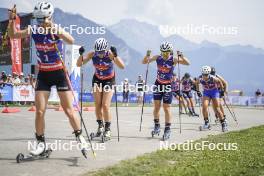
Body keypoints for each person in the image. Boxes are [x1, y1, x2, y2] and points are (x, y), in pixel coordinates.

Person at [8, 2, 89, 156]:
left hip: (59, 73)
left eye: (42, 19)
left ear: (49, 17)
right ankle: (41, 143)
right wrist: (12, 20)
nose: (39, 22)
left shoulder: (55, 29)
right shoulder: (33, 30)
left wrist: (55, 29)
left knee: (69, 110)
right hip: (43, 74)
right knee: (39, 111)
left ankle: (79, 136)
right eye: (37, 19)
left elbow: (71, 40)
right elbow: (13, 35)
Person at [76, 38, 125, 141]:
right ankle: (100, 126)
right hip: (97, 79)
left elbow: (122, 66)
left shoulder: (110, 54)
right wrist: (80, 55)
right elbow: (79, 64)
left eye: (102, 51)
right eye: (98, 52)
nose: (100, 54)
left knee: (105, 105)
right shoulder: (92, 54)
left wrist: (115, 56)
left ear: (106, 49)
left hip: (109, 80)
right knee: (97, 104)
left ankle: (107, 129)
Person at [142, 42, 190, 140]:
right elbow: (144, 62)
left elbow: (187, 63)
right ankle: (157, 126)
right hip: (158, 83)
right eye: (163, 52)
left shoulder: (174, 59)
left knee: (166, 107)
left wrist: (182, 56)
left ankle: (167, 129)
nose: (164, 54)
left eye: (166, 52)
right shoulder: (157, 57)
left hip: (168, 85)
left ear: (170, 51)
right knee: (156, 107)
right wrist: (147, 55)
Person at [196, 66, 228, 132]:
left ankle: (223, 124)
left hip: (214, 91)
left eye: (207, 74)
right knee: (204, 107)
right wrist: (198, 91)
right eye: (204, 74)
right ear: (202, 73)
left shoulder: (213, 78)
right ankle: (206, 123)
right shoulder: (199, 78)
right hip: (206, 92)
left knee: (217, 108)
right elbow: (196, 83)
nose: (205, 76)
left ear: (209, 73)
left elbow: (220, 82)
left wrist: (222, 91)